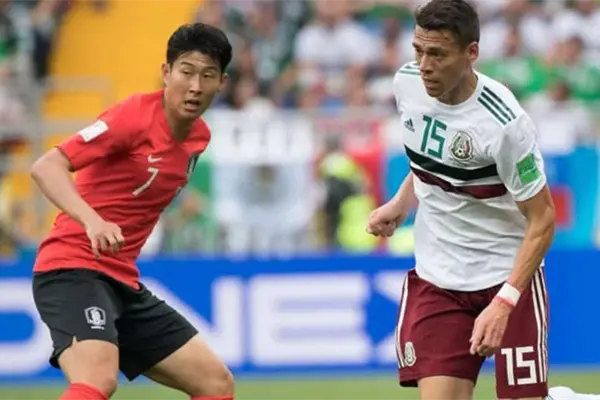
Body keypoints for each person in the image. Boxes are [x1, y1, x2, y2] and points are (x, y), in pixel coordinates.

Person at [366, 1, 597, 399]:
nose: (424, 66)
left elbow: (543, 220)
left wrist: (505, 302)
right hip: (439, 279)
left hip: (505, 277)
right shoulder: (407, 84)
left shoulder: (504, 125)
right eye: (418, 51)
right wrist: (402, 202)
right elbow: (428, 157)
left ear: (471, 52)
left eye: (437, 54)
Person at [30, 23, 234, 400]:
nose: (195, 86)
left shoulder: (199, 137)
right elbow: (46, 166)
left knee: (215, 383)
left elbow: (138, 192)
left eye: (207, 75)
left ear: (221, 82)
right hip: (72, 268)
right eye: (186, 72)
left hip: (121, 279)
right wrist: (92, 220)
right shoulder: (134, 115)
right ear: (166, 72)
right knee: (97, 380)